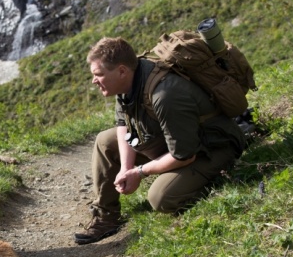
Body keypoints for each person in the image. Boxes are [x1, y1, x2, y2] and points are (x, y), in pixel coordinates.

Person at [74, 37, 245, 245]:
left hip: (211, 146)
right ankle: (106, 217)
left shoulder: (165, 94)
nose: (94, 80)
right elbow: (124, 124)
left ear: (121, 71)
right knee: (104, 141)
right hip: (174, 138)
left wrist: (140, 172)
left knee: (161, 197)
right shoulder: (129, 79)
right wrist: (125, 168)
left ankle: (219, 176)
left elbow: (184, 155)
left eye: (98, 74)